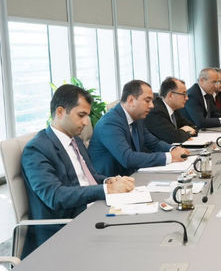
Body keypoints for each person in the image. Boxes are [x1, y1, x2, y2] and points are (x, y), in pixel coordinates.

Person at [20, 84, 135, 257]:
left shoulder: (75, 141)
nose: (86, 122)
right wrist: (106, 189)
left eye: (87, 115)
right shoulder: (37, 149)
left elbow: (90, 177)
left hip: (91, 213)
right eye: (81, 115)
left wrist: (109, 181)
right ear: (60, 112)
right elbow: (55, 196)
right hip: (62, 229)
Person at [89, 80, 189, 177]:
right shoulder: (110, 123)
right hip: (112, 181)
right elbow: (128, 158)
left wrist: (173, 149)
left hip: (132, 175)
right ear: (131, 100)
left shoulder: (137, 118)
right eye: (147, 101)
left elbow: (153, 143)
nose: (152, 105)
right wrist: (170, 157)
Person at [145, 77, 197, 144]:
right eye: (183, 94)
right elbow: (172, 138)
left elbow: (193, 126)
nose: (187, 98)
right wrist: (184, 131)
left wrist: (181, 132)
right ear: (170, 95)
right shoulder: (156, 111)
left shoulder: (174, 109)